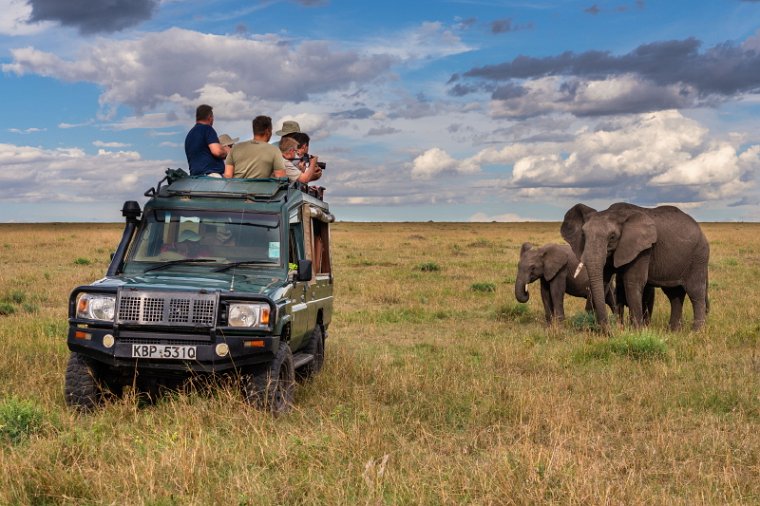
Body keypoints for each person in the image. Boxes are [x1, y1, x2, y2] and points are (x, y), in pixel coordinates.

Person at [185, 104, 227, 177]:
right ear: (209, 117)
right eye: (212, 117)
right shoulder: (207, 129)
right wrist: (226, 152)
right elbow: (217, 152)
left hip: (196, 178)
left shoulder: (190, 135)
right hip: (211, 176)